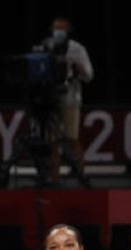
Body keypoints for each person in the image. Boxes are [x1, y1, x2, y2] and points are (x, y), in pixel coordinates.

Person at [38, 16, 93, 187]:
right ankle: (56, 180)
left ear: (68, 32)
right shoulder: (46, 46)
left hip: (71, 100)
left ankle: (81, 178)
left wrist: (80, 69)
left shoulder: (78, 49)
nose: (58, 33)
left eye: (61, 29)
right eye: (55, 29)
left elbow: (89, 76)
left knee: (72, 139)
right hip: (51, 100)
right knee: (52, 142)